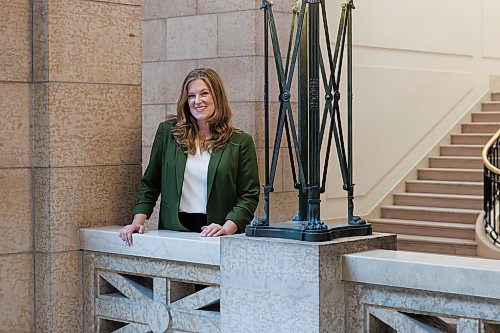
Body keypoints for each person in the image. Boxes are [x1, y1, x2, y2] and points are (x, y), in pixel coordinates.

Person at [119, 68, 260, 246]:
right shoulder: (168, 133)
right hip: (174, 231)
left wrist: (227, 228)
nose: (197, 101)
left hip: (218, 235)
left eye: (204, 94)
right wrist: (137, 222)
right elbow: (151, 183)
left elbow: (249, 195)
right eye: (191, 96)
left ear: (217, 96)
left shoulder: (240, 142)